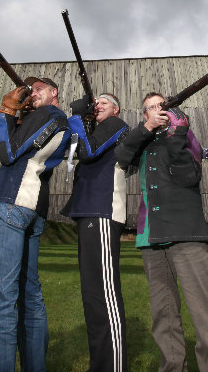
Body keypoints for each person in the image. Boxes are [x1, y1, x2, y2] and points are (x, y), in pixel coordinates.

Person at [115, 92, 208, 372]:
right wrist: (145, 130)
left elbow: (188, 177)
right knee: (163, 316)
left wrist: (177, 135)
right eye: (151, 108)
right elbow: (121, 157)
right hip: (151, 237)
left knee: (205, 314)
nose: (158, 110)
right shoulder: (142, 140)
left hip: (186, 235)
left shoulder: (185, 136)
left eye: (163, 105)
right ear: (144, 115)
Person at [0, 77, 71, 372]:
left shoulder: (49, 115)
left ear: (54, 92)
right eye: (28, 91)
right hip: (34, 208)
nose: (32, 94)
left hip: (12, 203)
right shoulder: (57, 120)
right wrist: (19, 116)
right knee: (29, 296)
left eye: (38, 89)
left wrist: (6, 111)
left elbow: (9, 153)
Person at [61, 93, 130, 372]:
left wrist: (78, 117)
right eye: (96, 102)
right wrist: (81, 123)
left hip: (102, 209)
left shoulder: (115, 125)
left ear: (116, 109)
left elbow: (89, 151)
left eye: (104, 102)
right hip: (88, 210)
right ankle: (99, 364)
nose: (97, 105)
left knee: (104, 294)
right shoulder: (97, 130)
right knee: (91, 295)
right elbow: (80, 147)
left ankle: (113, 366)